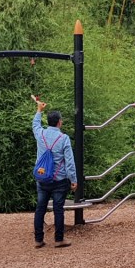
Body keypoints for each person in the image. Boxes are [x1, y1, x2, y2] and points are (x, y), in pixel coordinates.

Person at [31, 97, 78, 248]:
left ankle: (38, 240)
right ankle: (59, 239)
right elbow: (69, 161)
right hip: (59, 180)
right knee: (59, 210)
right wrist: (73, 180)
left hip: (43, 178)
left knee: (40, 208)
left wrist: (39, 110)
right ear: (59, 122)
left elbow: (35, 125)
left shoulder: (41, 135)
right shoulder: (64, 138)